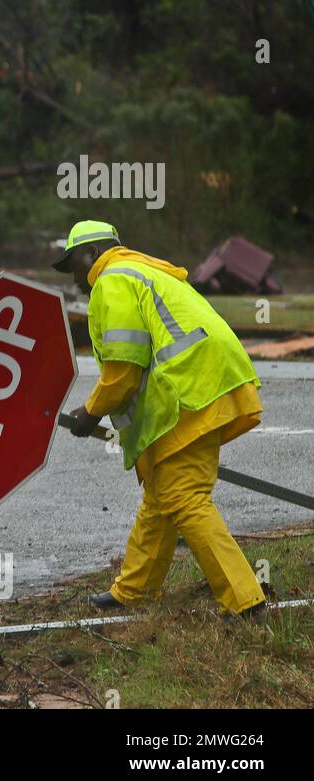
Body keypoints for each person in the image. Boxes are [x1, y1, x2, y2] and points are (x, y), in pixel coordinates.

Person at [55, 220, 267, 618]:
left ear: (90, 254)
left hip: (187, 393)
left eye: (73, 267)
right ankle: (134, 590)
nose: (75, 281)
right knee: (162, 493)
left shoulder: (111, 281)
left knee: (185, 498)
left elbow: (122, 368)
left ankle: (245, 602)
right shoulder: (143, 270)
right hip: (205, 385)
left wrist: (90, 412)